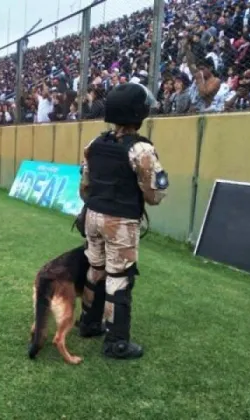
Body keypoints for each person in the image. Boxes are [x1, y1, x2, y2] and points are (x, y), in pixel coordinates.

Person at [76, 82, 169, 360]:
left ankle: (89, 323)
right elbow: (154, 195)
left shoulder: (94, 144)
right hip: (120, 221)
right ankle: (117, 341)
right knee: (120, 277)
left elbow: (84, 187)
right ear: (138, 113)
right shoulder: (141, 150)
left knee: (95, 269)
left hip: (92, 214)